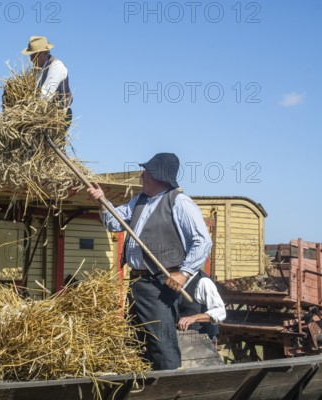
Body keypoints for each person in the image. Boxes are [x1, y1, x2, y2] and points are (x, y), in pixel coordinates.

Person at [87, 152, 212, 370]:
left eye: (146, 171)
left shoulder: (179, 202)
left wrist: (183, 273)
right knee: (139, 341)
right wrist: (101, 201)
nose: (142, 175)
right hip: (138, 283)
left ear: (157, 176)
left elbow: (203, 241)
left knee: (160, 344)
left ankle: (170, 386)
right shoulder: (139, 201)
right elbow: (114, 223)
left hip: (161, 283)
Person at [21, 36, 73, 125]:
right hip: (40, 114)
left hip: (58, 116)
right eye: (31, 55)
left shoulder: (56, 66)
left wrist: (28, 113)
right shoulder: (36, 71)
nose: (31, 59)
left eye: (33, 55)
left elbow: (46, 94)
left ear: (44, 53)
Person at [177, 270, 226, 344]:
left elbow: (220, 312)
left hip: (203, 339)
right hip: (182, 338)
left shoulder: (204, 282)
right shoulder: (175, 281)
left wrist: (194, 318)